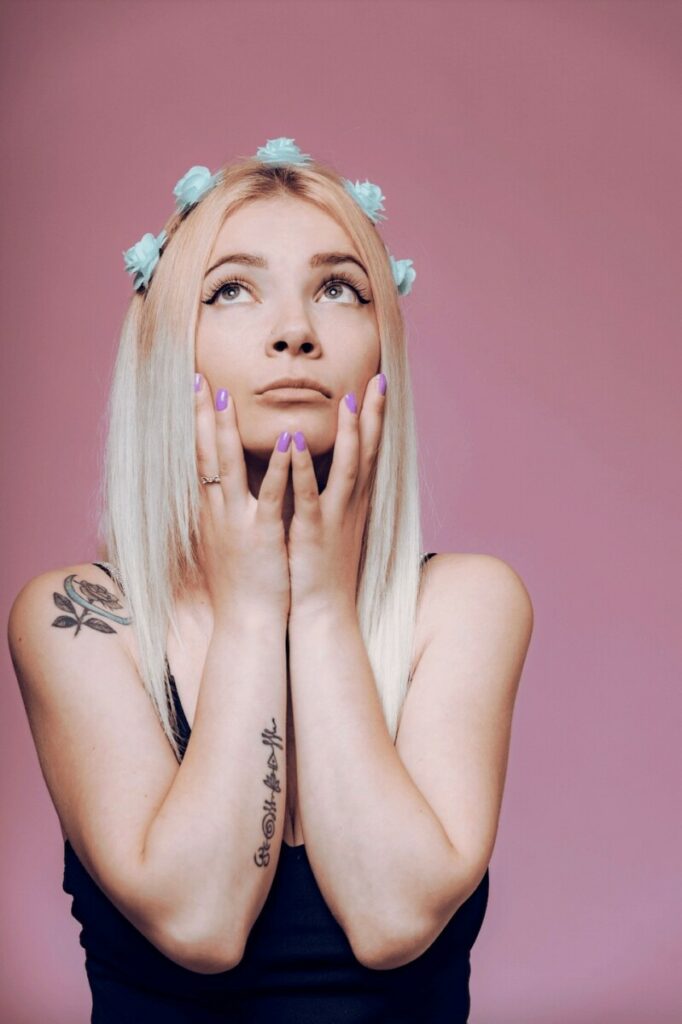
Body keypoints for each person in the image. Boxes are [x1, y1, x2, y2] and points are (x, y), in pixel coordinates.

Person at [7, 137, 534, 1023]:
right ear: (168, 353)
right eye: (232, 290)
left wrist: (320, 607)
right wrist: (254, 609)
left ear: (380, 354)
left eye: (338, 288)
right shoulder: (79, 620)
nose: (296, 331)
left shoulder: (468, 605)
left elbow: (392, 917)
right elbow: (202, 923)